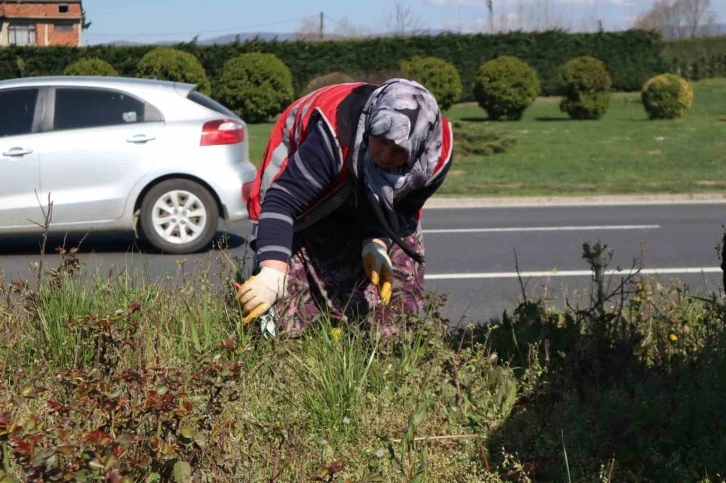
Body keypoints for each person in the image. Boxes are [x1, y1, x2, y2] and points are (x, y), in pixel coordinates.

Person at [236, 78, 453, 337]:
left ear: (418, 148)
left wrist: (376, 243)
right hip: (298, 183)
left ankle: (387, 346)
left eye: (398, 149)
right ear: (371, 125)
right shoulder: (335, 136)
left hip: (355, 169)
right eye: (381, 140)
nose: (385, 156)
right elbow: (281, 202)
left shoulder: (434, 160)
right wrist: (272, 272)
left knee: (394, 305)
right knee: (287, 309)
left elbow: (401, 208)